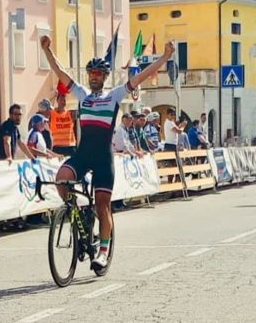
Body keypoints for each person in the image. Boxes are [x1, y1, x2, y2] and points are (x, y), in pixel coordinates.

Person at [41, 35, 174, 270]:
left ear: (104, 77)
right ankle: (77, 215)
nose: (94, 77)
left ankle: (102, 252)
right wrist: (47, 50)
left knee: (103, 205)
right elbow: (61, 72)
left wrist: (164, 57)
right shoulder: (82, 94)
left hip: (103, 158)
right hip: (82, 155)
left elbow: (140, 76)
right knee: (61, 179)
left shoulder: (113, 96)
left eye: (98, 74)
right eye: (91, 73)